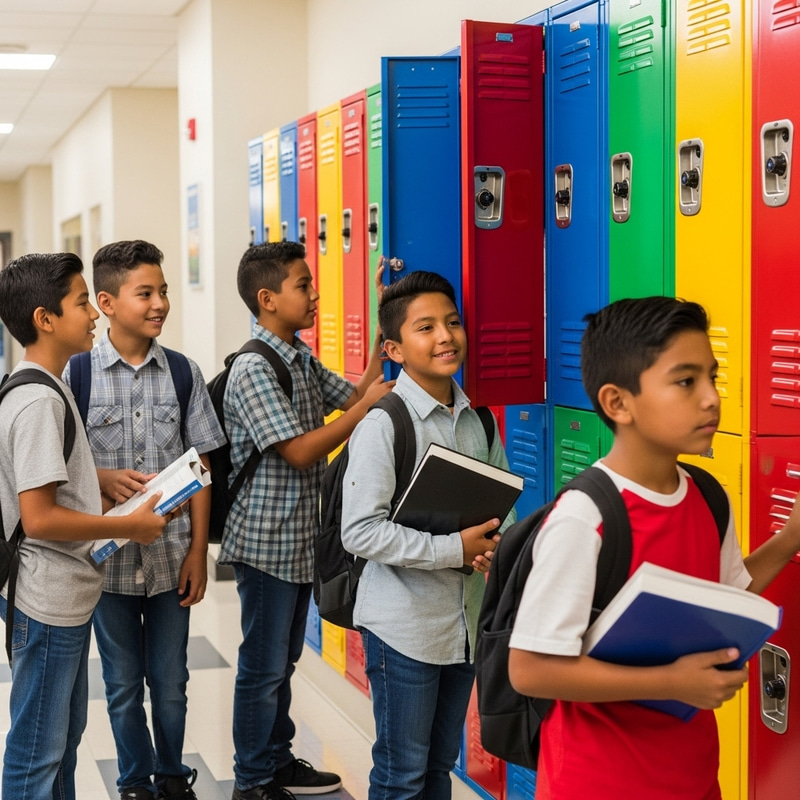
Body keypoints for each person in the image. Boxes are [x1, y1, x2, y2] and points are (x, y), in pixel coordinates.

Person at [507, 296, 800, 800]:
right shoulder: (586, 517)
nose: (710, 397)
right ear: (618, 403)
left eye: (711, 376)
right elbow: (530, 668)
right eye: (686, 381)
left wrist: (790, 539)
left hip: (692, 776)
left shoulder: (709, 496)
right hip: (597, 783)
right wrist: (671, 682)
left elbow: (730, 591)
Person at [220, 240, 392, 800]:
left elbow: (360, 393)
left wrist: (381, 319)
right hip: (266, 543)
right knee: (263, 666)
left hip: (298, 543)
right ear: (267, 299)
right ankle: (252, 780)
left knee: (283, 661)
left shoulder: (298, 356)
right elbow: (296, 450)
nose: (315, 294)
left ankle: (277, 759)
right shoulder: (254, 367)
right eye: (302, 285)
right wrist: (363, 411)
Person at [340, 270, 514, 800]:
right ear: (393, 347)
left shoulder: (479, 421)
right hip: (403, 629)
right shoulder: (384, 424)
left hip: (461, 626)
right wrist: (451, 549)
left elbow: (500, 509)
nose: (445, 336)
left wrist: (492, 543)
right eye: (426, 327)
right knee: (402, 774)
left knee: (439, 768)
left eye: (452, 322)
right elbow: (359, 531)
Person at [62, 240, 227, 800]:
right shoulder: (76, 376)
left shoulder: (183, 372)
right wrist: (102, 476)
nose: (160, 304)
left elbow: (202, 464)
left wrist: (199, 549)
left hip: (170, 559)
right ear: (106, 303)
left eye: (163, 292)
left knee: (172, 682)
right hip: (106, 568)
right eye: (146, 293)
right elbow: (62, 471)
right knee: (122, 683)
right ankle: (134, 780)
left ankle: (173, 777)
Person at [0, 252, 168, 800]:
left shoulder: (44, 385)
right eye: (80, 303)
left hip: (60, 600)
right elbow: (39, 517)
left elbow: (42, 478)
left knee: (62, 743)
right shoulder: (36, 402)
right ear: (45, 319)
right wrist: (131, 528)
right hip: (45, 601)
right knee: (37, 756)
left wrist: (92, 475)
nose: (92, 314)